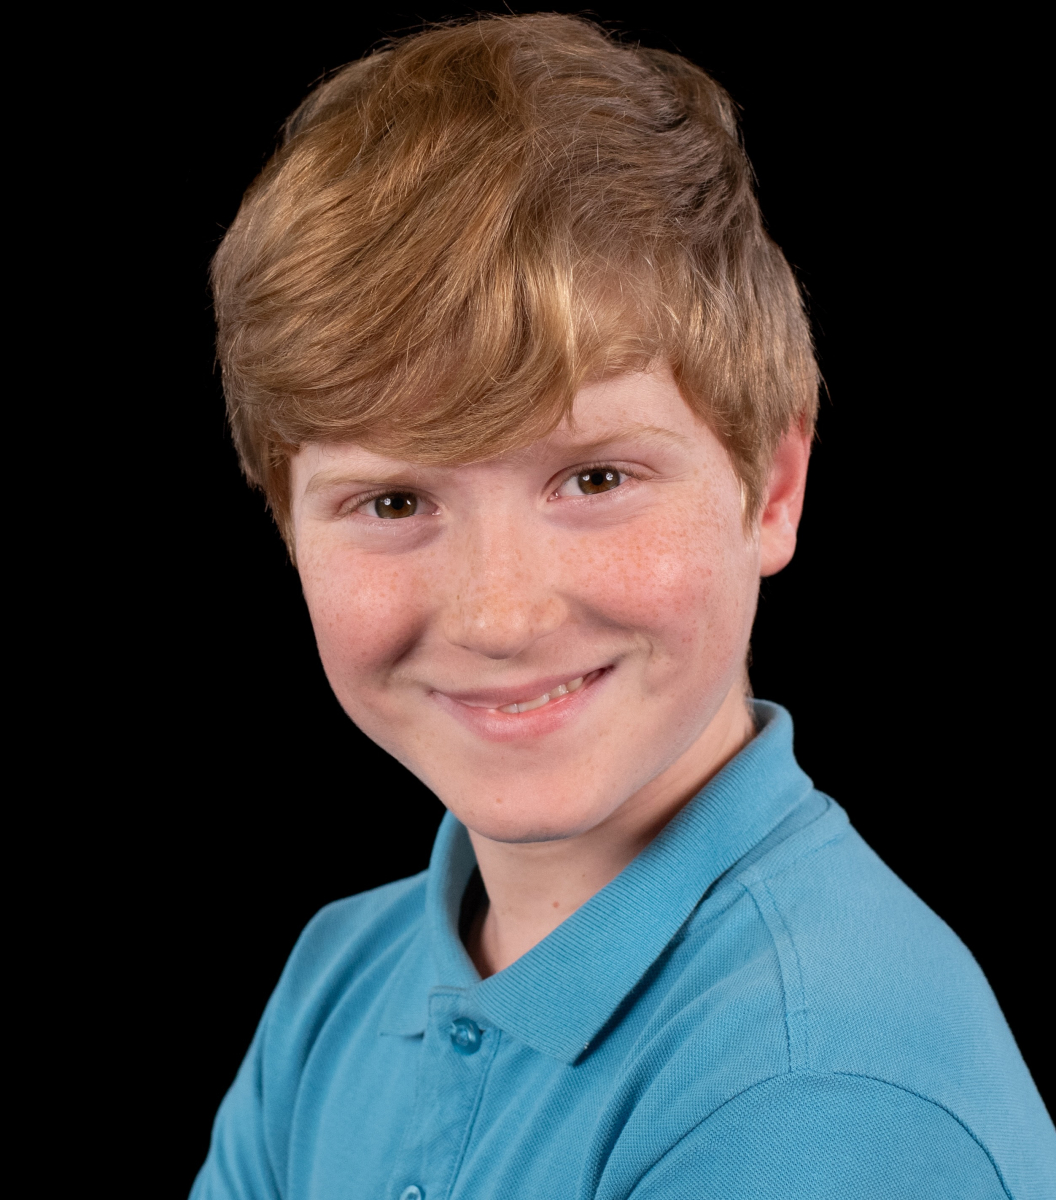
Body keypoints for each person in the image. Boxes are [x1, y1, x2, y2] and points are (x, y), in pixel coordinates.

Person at [193, 14, 1054, 1198]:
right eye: (392, 501)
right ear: (289, 530)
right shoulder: (338, 984)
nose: (499, 615)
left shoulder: (821, 1090)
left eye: (595, 479)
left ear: (772, 490)